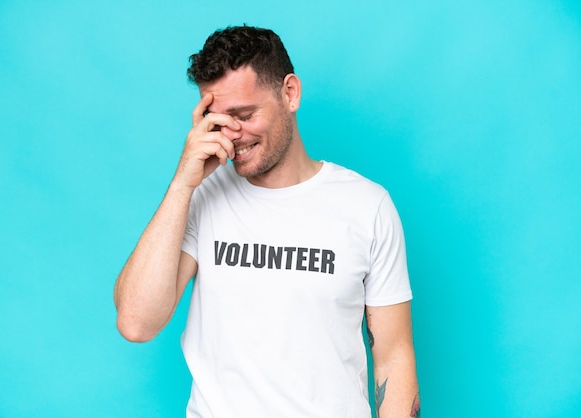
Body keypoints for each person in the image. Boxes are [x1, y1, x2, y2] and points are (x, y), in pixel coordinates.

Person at [114, 25, 420, 418]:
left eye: (244, 114)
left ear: (289, 93)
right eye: (218, 119)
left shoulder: (368, 206)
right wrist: (182, 183)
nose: (232, 134)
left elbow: (393, 356)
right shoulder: (201, 196)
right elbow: (136, 323)